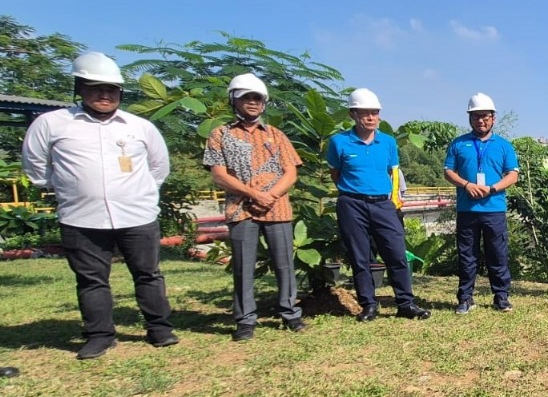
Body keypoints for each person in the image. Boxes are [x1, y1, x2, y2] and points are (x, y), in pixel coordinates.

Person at [21, 52, 178, 359]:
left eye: (112, 89)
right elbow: (37, 168)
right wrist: (71, 189)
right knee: (92, 280)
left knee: (148, 273)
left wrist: (136, 192)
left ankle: (160, 329)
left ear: (120, 92)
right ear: (79, 88)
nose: (105, 94)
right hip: (81, 217)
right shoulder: (51, 123)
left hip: (137, 215)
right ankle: (100, 335)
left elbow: (159, 167)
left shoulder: (139, 127)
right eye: (95, 87)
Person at [203, 73, 306, 341]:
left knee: (284, 264)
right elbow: (218, 174)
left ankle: (290, 313)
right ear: (234, 100)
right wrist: (252, 194)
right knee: (243, 266)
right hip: (241, 209)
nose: (252, 103)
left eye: (257, 98)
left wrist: (270, 195)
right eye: (246, 97)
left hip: (277, 208)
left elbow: (290, 172)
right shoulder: (220, 135)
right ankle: (245, 320)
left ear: (264, 103)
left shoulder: (276, 135)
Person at [326, 88, 430, 322]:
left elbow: (392, 173)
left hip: (383, 204)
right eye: (365, 113)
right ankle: (368, 305)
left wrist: (391, 201)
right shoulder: (339, 142)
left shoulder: (388, 143)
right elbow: (336, 173)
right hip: (352, 204)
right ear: (353, 114)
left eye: (375, 113)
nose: (371, 118)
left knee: (396, 254)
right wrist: (356, 192)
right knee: (360, 256)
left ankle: (406, 303)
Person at [443, 93, 520, 314]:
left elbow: (512, 175)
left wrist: (492, 188)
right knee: (467, 255)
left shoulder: (504, 146)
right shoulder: (459, 144)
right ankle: (465, 297)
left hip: (494, 209)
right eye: (476, 117)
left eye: (485, 116)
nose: (481, 121)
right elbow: (448, 171)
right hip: (467, 209)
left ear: (493, 118)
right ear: (470, 118)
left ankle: (501, 296)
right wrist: (466, 185)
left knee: (498, 253)